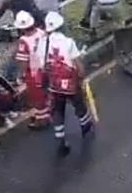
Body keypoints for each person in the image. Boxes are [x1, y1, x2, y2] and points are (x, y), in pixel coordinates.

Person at [43, 12, 93, 157]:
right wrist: (82, 78)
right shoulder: (68, 42)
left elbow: (43, 65)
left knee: (58, 110)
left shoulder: (44, 44)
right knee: (79, 105)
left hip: (54, 84)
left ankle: (60, 139)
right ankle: (85, 126)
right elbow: (78, 65)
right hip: (70, 83)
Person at [13, 11, 51, 130]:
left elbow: (23, 61)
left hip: (35, 73)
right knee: (46, 93)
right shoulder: (42, 33)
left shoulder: (23, 41)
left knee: (37, 97)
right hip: (48, 68)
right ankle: (48, 113)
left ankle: (42, 120)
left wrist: (21, 76)